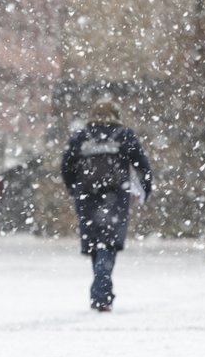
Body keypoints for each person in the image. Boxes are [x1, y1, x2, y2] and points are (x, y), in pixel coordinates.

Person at [60, 99, 152, 312]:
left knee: (95, 243)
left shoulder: (81, 136)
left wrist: (74, 188)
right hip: (115, 195)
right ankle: (102, 293)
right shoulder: (124, 136)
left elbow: (66, 165)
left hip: (87, 196)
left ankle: (101, 291)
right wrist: (146, 188)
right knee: (108, 243)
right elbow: (142, 164)